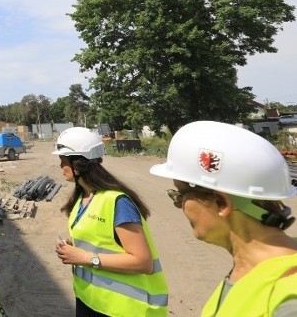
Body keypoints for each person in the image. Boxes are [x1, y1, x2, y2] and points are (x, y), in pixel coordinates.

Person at [150, 120, 297, 316]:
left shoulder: (288, 300)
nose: (180, 206)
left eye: (180, 196)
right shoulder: (247, 271)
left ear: (221, 203)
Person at [53, 127, 168, 316]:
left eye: (63, 160)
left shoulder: (117, 202)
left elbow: (143, 262)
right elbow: (100, 240)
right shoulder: (82, 198)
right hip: (90, 301)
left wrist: (84, 257)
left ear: (78, 163)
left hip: (124, 309)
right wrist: (73, 247)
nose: (60, 166)